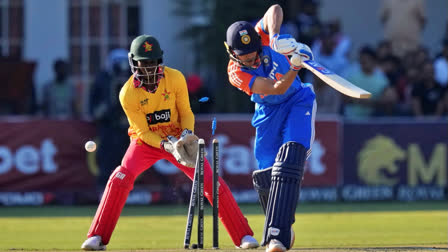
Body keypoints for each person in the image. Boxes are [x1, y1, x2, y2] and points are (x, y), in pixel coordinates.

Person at [81, 35, 259, 250]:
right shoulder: (127, 93)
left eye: (152, 62)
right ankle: (97, 236)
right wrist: (167, 146)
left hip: (178, 136)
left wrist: (186, 136)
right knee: (120, 177)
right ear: (133, 63)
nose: (148, 69)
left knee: (209, 180)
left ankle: (243, 237)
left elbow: (186, 111)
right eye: (143, 63)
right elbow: (143, 132)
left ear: (160, 61)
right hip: (146, 143)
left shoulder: (175, 78)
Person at [224, 4, 315, 252]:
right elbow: (276, 88)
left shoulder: (260, 36)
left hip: (298, 101)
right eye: (245, 55)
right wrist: (296, 66)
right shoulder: (236, 73)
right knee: (265, 175)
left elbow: (274, 8)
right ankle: (284, 226)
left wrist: (274, 36)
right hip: (268, 111)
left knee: (290, 157)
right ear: (232, 53)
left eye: (254, 52)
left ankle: (277, 237)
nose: (252, 58)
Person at [89, 48, 130, 187]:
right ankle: (103, 186)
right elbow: (94, 103)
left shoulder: (132, 78)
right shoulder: (102, 79)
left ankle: (125, 187)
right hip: (108, 124)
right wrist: (104, 110)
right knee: (107, 156)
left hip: (128, 124)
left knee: (126, 158)